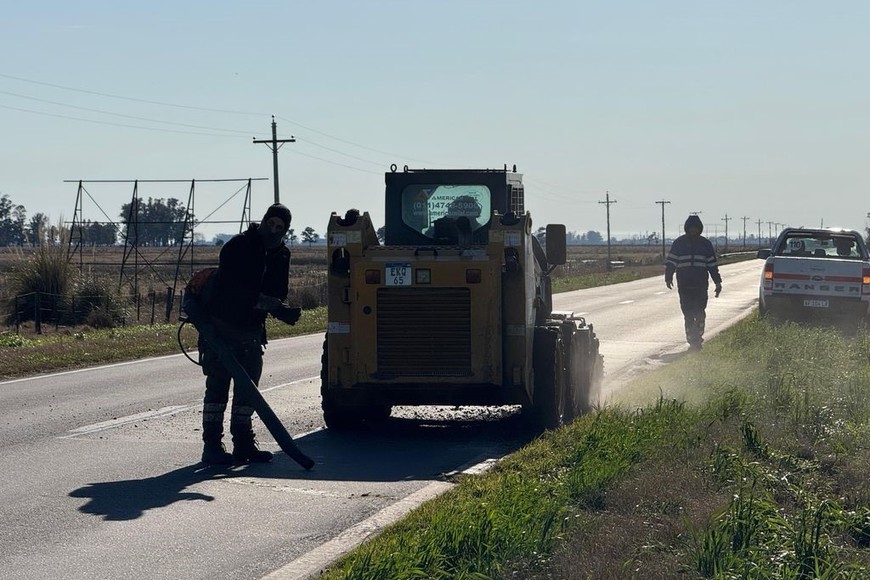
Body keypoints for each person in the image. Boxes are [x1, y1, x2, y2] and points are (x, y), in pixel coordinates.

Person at [199, 202, 299, 465]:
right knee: (218, 389)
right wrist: (268, 303)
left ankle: (243, 444)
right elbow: (232, 291)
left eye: (280, 227)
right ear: (264, 221)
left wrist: (280, 308)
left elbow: (279, 291)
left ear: (285, 230)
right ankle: (212, 446)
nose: (274, 230)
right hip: (222, 327)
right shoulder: (237, 247)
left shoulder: (282, 255)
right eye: (271, 224)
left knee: (248, 393)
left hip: (252, 332)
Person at [665, 215, 722, 351]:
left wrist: (717, 282)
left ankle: (699, 335)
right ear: (687, 228)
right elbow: (671, 262)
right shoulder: (679, 243)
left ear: (700, 229)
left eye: (696, 228)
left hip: (701, 284)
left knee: (700, 312)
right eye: (691, 228)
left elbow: (712, 265)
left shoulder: (705, 244)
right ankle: (692, 340)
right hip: (684, 284)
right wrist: (668, 276)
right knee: (688, 314)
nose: (693, 230)